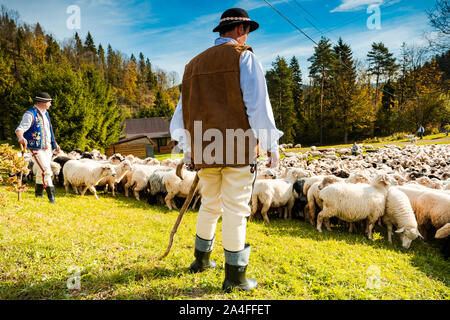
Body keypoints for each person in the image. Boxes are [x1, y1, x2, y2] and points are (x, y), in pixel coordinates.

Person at [169, 8, 283, 292]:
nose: (246, 38)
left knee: (209, 204)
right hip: (238, 148)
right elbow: (257, 105)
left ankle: (201, 261)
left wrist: (188, 149)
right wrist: (270, 144)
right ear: (240, 30)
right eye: (247, 32)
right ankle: (235, 277)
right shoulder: (245, 57)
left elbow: (181, 114)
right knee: (235, 209)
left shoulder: (192, 65)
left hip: (205, 150)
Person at [15, 92, 60, 204]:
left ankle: (38, 194)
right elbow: (19, 129)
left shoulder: (46, 114)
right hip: (35, 148)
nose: (50, 104)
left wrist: (55, 144)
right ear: (43, 102)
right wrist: (20, 137)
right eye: (49, 102)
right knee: (46, 170)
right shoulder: (29, 114)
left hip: (47, 147)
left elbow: (49, 131)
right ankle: (51, 199)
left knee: (41, 170)